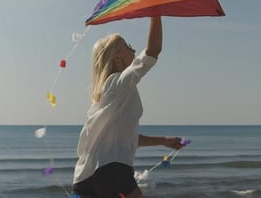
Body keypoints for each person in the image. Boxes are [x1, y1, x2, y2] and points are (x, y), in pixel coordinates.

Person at [72, 17, 184, 198]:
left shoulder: (105, 94)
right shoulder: (119, 83)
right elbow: (151, 53)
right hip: (111, 170)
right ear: (116, 57)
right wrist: (155, 11)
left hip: (84, 179)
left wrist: (163, 140)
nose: (133, 49)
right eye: (128, 46)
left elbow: (124, 138)